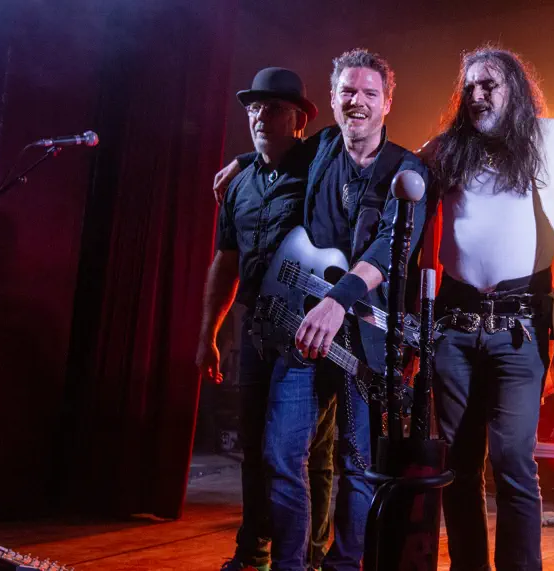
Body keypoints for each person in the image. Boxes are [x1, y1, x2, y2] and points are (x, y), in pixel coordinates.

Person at [211, 50, 429, 571]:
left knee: (356, 462)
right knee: (280, 453)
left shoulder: (407, 170)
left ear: (387, 102)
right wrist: (243, 161)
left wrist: (338, 301)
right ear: (332, 100)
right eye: (348, 92)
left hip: (365, 340)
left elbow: (389, 250)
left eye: (369, 93)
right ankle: (290, 565)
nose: (358, 101)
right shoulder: (323, 147)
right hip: (306, 331)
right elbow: (275, 148)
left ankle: (343, 565)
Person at [420, 47, 554, 571]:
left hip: (520, 329)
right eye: (469, 86)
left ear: (515, 89)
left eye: (489, 85)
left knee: (513, 458)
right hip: (454, 328)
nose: (477, 95)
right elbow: (383, 165)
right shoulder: (445, 150)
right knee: (459, 463)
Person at [198, 66, 319, 571]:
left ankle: (308, 558)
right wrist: (209, 333)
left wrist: (246, 155)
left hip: (308, 329)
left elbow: (356, 143)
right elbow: (225, 260)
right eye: (253, 108)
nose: (259, 117)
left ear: (299, 120)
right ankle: (253, 553)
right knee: (254, 445)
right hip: (255, 330)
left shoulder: (319, 165)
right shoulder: (240, 185)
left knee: (300, 454)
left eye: (273, 108)